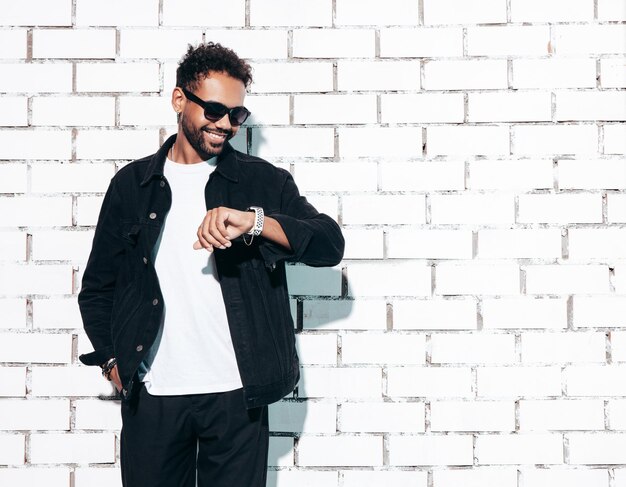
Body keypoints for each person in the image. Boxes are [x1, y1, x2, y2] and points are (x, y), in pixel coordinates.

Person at [77, 42, 345, 487]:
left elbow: (328, 244)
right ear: (180, 99)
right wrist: (111, 362)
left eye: (237, 115)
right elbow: (98, 287)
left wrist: (255, 222)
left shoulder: (261, 181)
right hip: (154, 392)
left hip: (236, 393)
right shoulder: (132, 185)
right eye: (215, 109)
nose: (226, 124)